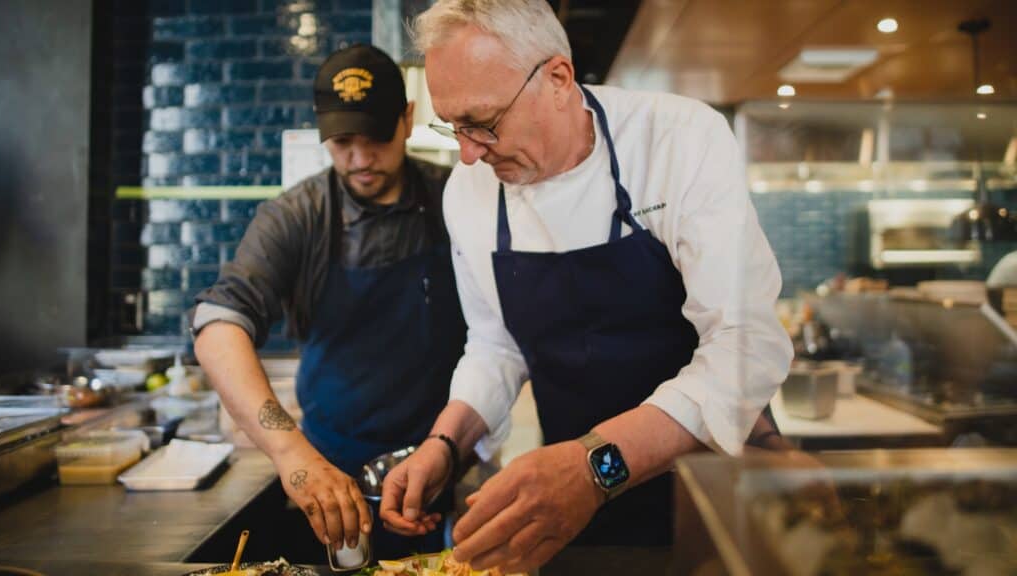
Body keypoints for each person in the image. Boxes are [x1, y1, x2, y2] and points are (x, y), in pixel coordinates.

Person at [378, 1, 794, 572]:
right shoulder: (469, 192)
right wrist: (444, 444)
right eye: (453, 127)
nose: (469, 154)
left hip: (708, 480)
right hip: (572, 499)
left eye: (483, 122)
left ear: (557, 79)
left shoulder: (678, 139)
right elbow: (496, 345)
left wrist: (595, 466)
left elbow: (745, 343)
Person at [191, 44, 467, 560]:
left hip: (434, 460)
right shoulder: (296, 216)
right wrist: (290, 452)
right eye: (342, 142)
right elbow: (217, 323)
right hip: (329, 469)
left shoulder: (456, 199)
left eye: (377, 138)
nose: (360, 159)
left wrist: (457, 450)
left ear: (408, 119)